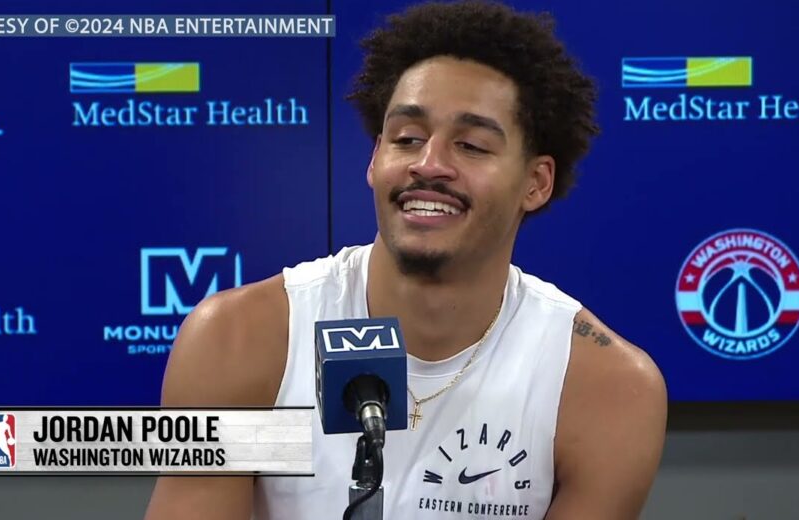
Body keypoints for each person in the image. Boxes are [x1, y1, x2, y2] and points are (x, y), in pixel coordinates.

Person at [145, 1, 667, 518]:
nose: (429, 164)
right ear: (376, 159)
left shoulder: (604, 388)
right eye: (408, 139)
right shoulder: (241, 341)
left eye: (472, 145)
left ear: (536, 182)